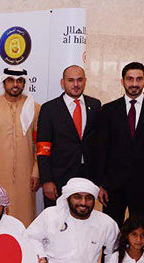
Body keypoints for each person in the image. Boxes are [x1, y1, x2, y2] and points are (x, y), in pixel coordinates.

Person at [96, 62, 144, 227]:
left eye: (139, 79)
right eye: (130, 79)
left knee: (140, 233)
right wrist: (100, 184)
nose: (134, 83)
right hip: (113, 187)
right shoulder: (108, 110)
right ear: (122, 81)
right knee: (111, 232)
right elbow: (101, 149)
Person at [0, 67, 40, 226]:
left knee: (24, 216)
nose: (15, 85)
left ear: (24, 83)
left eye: (19, 81)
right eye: (10, 80)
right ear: (4, 83)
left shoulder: (34, 108)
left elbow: (39, 143)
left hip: (26, 175)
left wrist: (36, 171)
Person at [36, 65, 101, 207]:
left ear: (85, 81)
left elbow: (99, 144)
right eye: (71, 80)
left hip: (87, 177)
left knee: (84, 216)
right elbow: (42, 148)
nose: (76, 84)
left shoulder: (95, 105)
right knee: (57, 218)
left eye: (79, 80)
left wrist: (100, 180)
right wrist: (46, 180)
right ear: (63, 82)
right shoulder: (49, 109)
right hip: (58, 178)